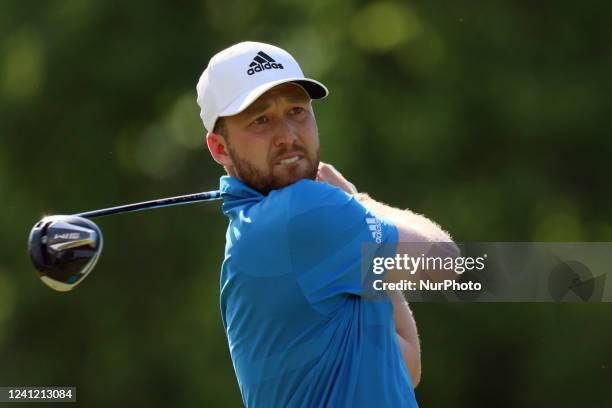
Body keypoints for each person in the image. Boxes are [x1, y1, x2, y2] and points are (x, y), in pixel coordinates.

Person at [196, 41, 455, 407]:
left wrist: (358, 223)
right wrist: (359, 202)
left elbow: (405, 366)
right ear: (220, 148)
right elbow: (444, 261)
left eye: (297, 111)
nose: (287, 134)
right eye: (260, 119)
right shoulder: (302, 213)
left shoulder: (261, 233)